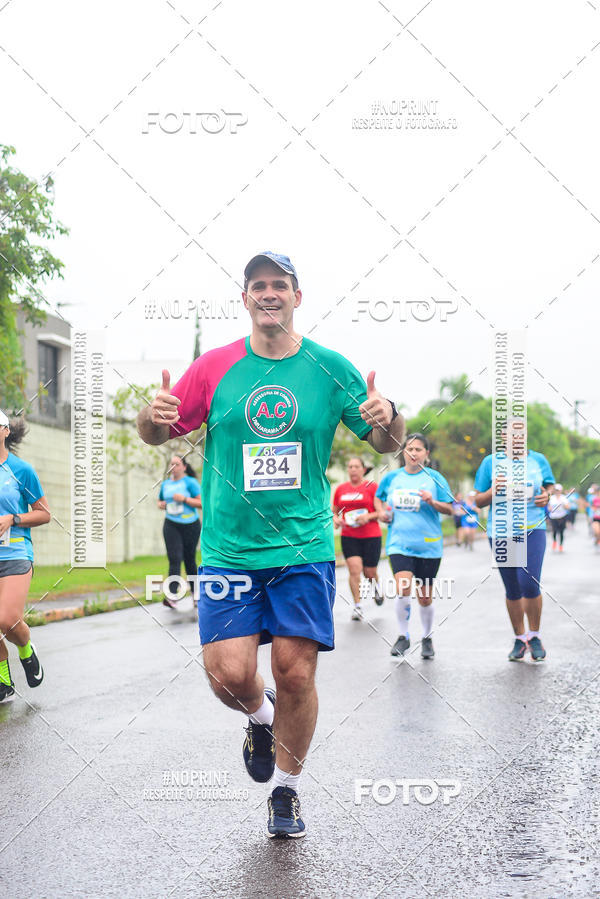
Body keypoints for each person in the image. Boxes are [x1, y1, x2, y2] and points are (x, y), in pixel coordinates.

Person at [137, 251, 405, 838]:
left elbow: (385, 441)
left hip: (302, 546)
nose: (268, 294)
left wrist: (392, 418)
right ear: (245, 299)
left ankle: (286, 791)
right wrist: (151, 417)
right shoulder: (213, 368)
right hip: (230, 549)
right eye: (257, 285)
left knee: (295, 674)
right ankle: (260, 719)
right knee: (228, 674)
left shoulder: (329, 368)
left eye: (278, 285)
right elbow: (160, 428)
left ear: (296, 296)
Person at [374, 433, 454, 660]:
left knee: (425, 597)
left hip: (429, 546)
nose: (413, 453)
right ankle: (403, 636)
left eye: (418, 449)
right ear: (403, 453)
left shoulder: (435, 478)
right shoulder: (392, 479)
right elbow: (378, 498)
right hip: (399, 544)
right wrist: (381, 512)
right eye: (409, 449)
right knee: (403, 587)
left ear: (426, 454)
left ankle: (427, 638)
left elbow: (450, 509)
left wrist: (432, 501)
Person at [474, 445, 554, 662]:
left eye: (521, 432)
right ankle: (520, 639)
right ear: (503, 436)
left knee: (529, 582)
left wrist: (546, 496)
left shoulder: (539, 459)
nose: (517, 437)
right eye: (512, 432)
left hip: (532, 528)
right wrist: (493, 491)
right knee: (513, 587)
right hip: (502, 531)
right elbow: (478, 500)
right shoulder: (490, 462)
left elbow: (549, 487)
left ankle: (535, 636)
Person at [0, 413, 51, 702]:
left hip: (16, 552)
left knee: (7, 619)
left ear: (5, 431)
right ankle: (3, 681)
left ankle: (26, 649)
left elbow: (44, 513)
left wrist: (13, 518)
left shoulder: (21, 470)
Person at [332, 457, 382, 620]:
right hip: (349, 536)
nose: (353, 469)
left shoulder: (372, 487)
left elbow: (381, 512)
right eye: (350, 466)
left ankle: (375, 588)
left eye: (356, 466)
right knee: (354, 570)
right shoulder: (341, 489)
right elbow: (334, 511)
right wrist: (336, 519)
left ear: (363, 469)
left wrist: (368, 516)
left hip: (371, 535)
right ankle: (357, 606)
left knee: (369, 572)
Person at [158, 454, 202, 608]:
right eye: (171, 464)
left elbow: (201, 503)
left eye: (176, 464)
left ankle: (196, 595)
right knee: (174, 558)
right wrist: (161, 504)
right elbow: (160, 500)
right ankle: (172, 596)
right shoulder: (165, 484)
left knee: (190, 560)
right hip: (171, 524)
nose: (173, 467)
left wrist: (184, 499)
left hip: (191, 524)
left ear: (184, 467)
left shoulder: (190, 482)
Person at [547, 484, 569, 552]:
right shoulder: (552, 498)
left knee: (561, 532)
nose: (557, 492)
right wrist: (551, 509)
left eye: (558, 490)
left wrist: (563, 505)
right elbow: (549, 508)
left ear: (560, 490)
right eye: (556, 490)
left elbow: (568, 507)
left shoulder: (564, 498)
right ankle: (554, 542)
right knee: (554, 531)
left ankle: (561, 545)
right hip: (554, 517)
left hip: (562, 517)